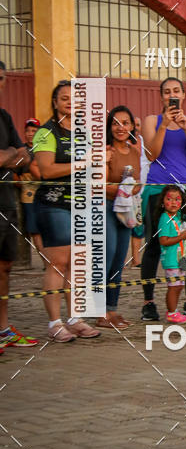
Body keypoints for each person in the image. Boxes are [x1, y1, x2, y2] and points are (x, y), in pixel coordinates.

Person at [33, 81, 100, 342]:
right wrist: (83, 162)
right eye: (64, 98)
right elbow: (46, 171)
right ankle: (54, 323)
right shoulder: (44, 132)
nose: (70, 103)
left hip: (80, 205)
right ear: (55, 103)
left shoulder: (84, 132)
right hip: (54, 205)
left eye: (75, 99)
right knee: (59, 263)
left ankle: (75, 319)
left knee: (76, 264)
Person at [140, 78, 186, 321]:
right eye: (167, 92)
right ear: (161, 98)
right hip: (159, 189)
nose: (172, 95)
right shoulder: (151, 121)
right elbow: (151, 154)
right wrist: (164, 126)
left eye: (176, 91)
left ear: (183, 95)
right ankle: (149, 303)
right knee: (154, 246)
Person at [0, 64, 39, 352]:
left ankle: (3, 330)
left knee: (6, 267)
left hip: (6, 202)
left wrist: (10, 154)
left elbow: (24, 156)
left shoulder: (4, 116)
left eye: (1, 78)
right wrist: (12, 155)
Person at [96, 106, 141, 329]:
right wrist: (122, 190)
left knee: (119, 262)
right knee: (107, 257)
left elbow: (138, 182)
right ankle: (100, 312)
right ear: (109, 127)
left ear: (132, 126)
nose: (120, 127)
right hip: (107, 207)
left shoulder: (134, 151)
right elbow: (100, 185)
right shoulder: (106, 151)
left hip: (126, 210)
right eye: (115, 123)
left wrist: (126, 190)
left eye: (125, 123)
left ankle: (112, 310)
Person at [157, 185, 186, 323]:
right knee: (173, 287)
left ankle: (174, 311)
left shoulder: (179, 216)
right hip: (171, 259)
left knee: (179, 285)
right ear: (163, 202)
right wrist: (181, 236)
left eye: (177, 199)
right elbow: (163, 240)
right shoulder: (164, 218)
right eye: (169, 199)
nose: (173, 203)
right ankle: (171, 313)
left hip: (181, 258)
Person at [18, 117, 45, 265]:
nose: (30, 134)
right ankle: (46, 263)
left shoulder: (43, 149)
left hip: (45, 194)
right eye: (27, 131)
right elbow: (15, 173)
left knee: (48, 228)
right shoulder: (21, 151)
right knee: (35, 231)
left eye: (33, 131)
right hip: (28, 196)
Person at [130, 116, 150, 266]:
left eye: (138, 124)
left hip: (144, 190)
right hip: (127, 192)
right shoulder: (123, 142)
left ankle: (138, 260)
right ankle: (133, 260)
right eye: (133, 125)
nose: (136, 127)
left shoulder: (145, 142)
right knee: (130, 226)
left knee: (142, 225)